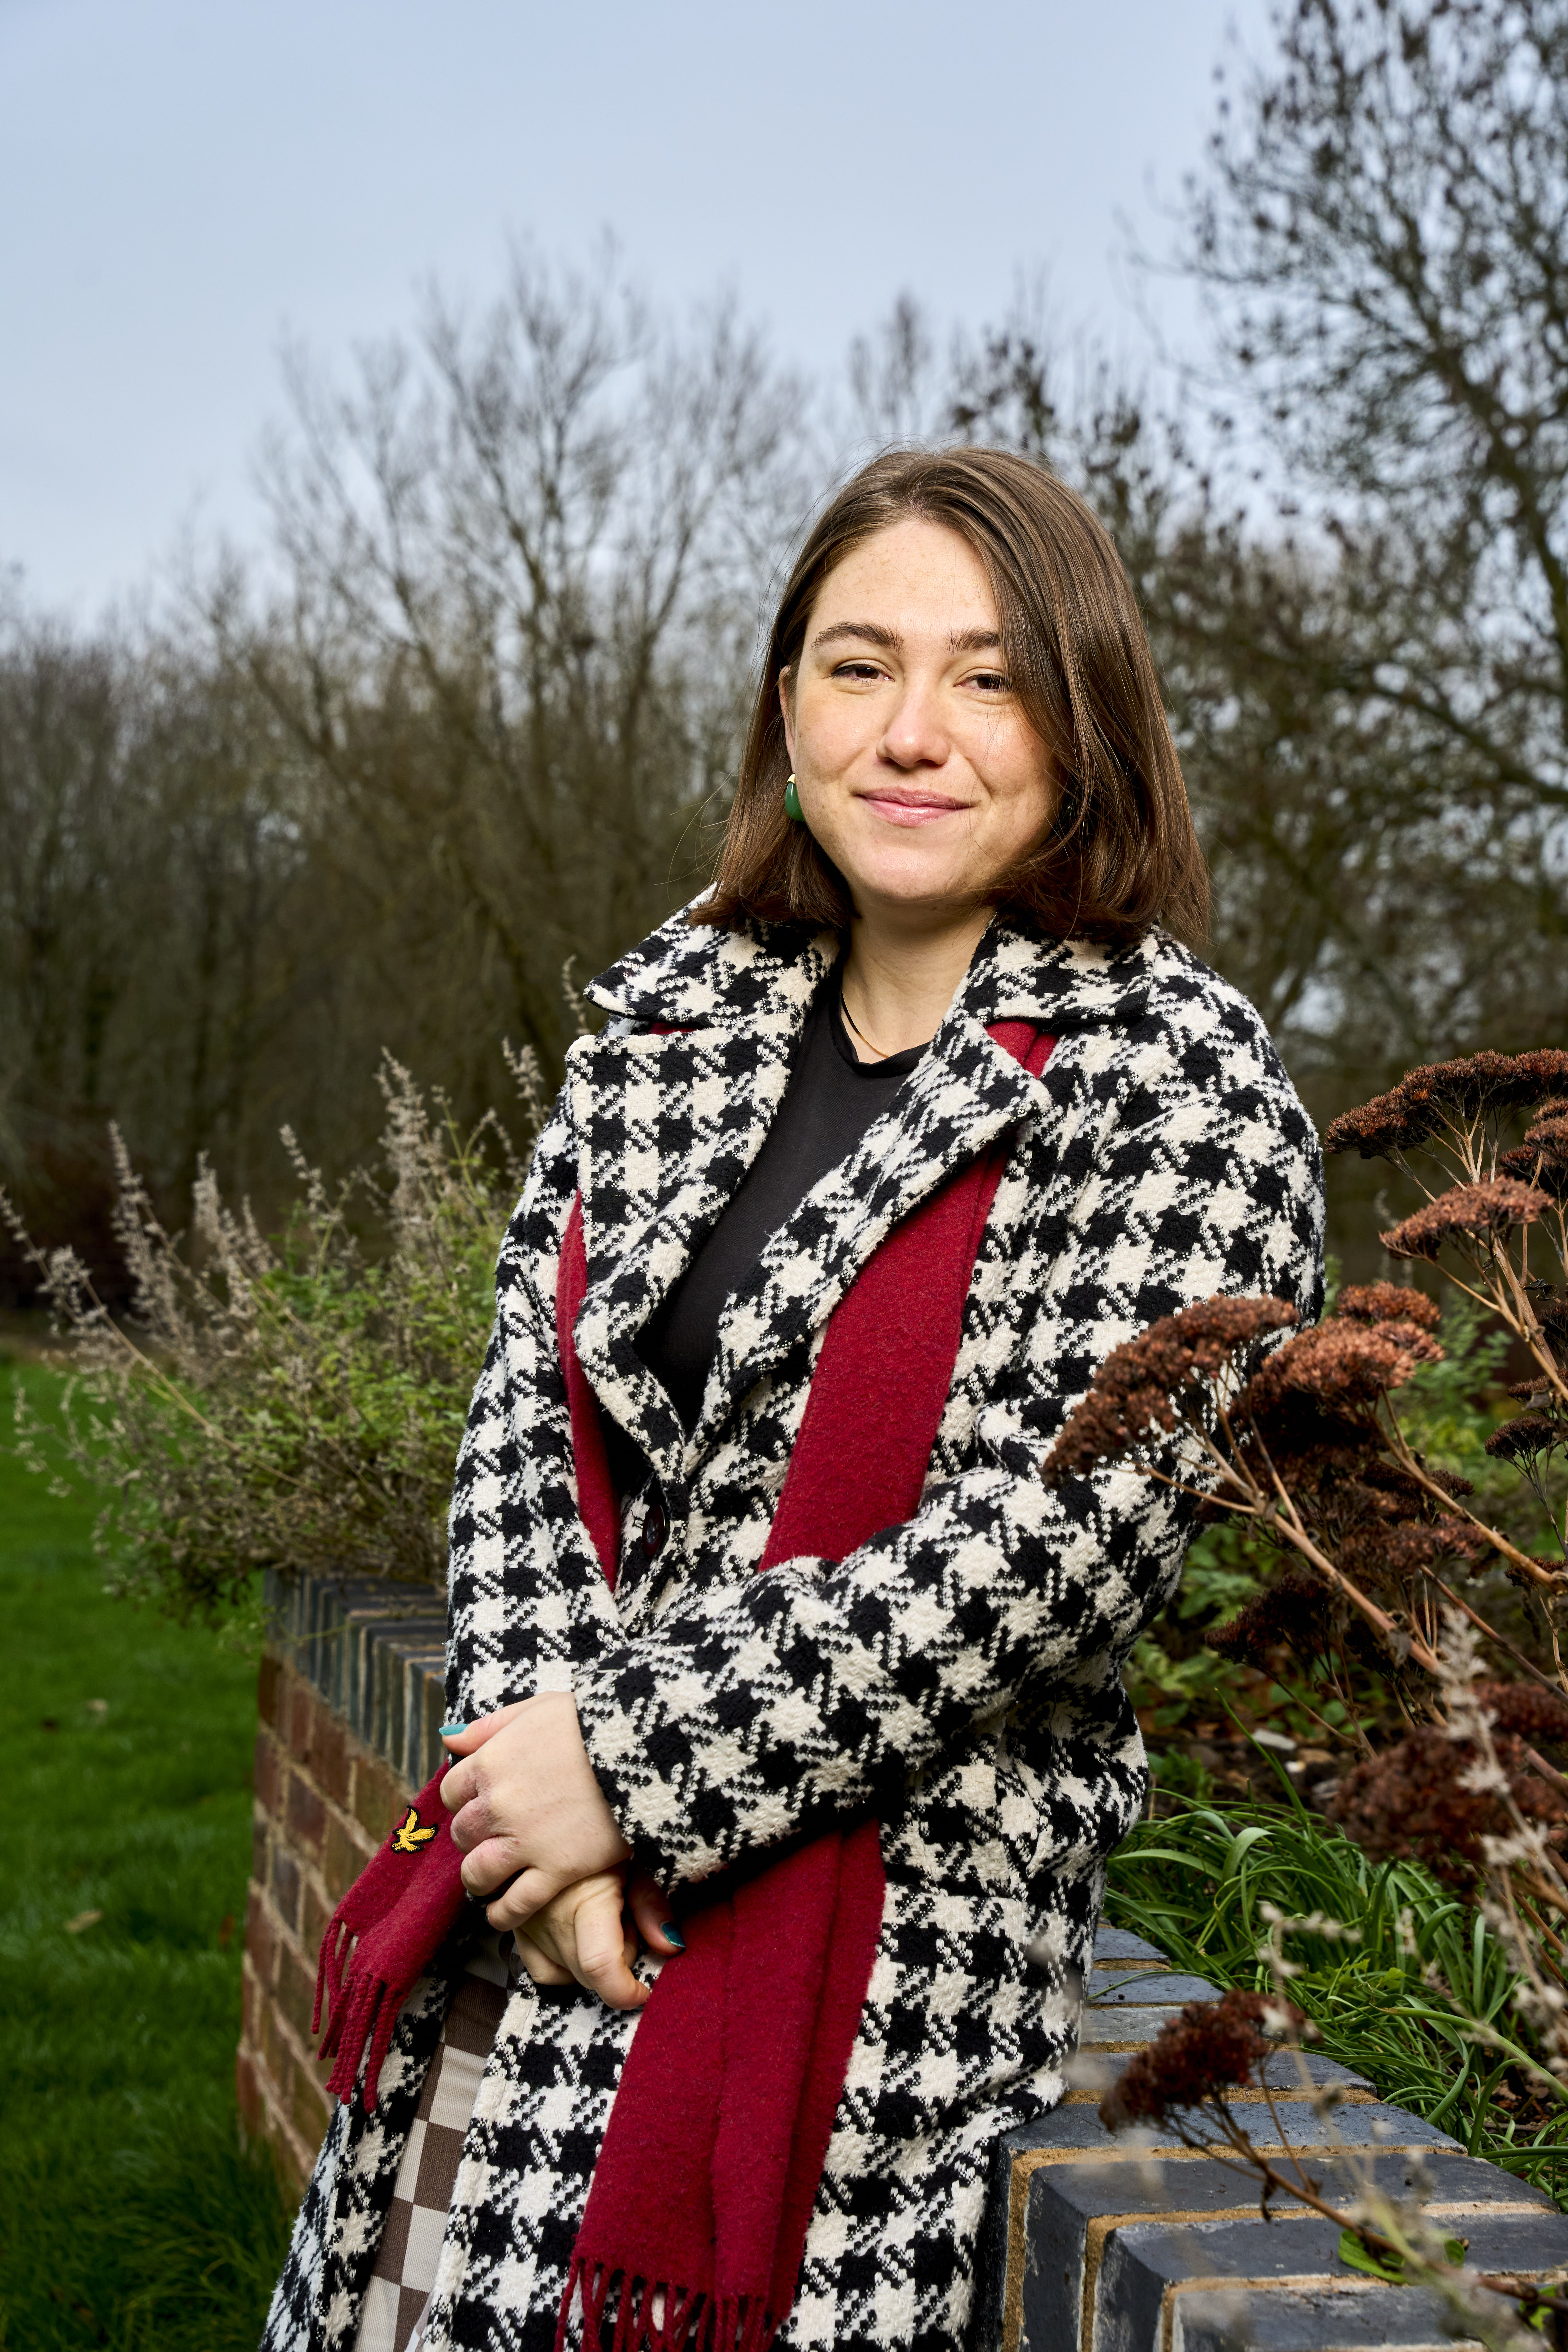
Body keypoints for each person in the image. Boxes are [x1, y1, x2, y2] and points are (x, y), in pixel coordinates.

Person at [262, 445, 1324, 2352]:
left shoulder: (1182, 1085)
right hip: (538, 1938)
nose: (916, 732)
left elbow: (1060, 1551)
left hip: (864, 1977)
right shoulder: (678, 1012)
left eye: (991, 677)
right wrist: (527, 1812)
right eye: (860, 664)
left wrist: (632, 1765)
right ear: (785, 705)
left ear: (1088, 725)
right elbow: (530, 1427)